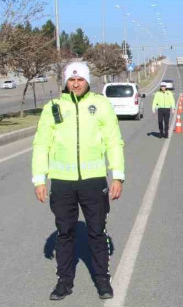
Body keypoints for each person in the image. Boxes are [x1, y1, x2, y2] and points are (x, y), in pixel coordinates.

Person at [32, 61, 125, 301]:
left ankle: (102, 280)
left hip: (93, 181)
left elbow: (113, 141)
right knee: (65, 232)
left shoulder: (100, 105)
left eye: (80, 79)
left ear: (87, 81)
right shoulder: (53, 107)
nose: (75, 84)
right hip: (62, 182)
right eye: (71, 80)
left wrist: (117, 175)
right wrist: (39, 179)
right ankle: (64, 282)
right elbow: (42, 144)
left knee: (96, 231)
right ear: (65, 82)